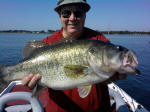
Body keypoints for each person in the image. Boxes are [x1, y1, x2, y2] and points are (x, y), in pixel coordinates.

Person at [11, 0, 126, 112]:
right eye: (66, 13)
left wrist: (115, 73)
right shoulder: (47, 43)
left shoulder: (99, 40)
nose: (72, 18)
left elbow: (114, 66)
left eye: (78, 13)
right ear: (59, 15)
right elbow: (39, 84)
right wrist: (34, 85)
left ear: (85, 15)